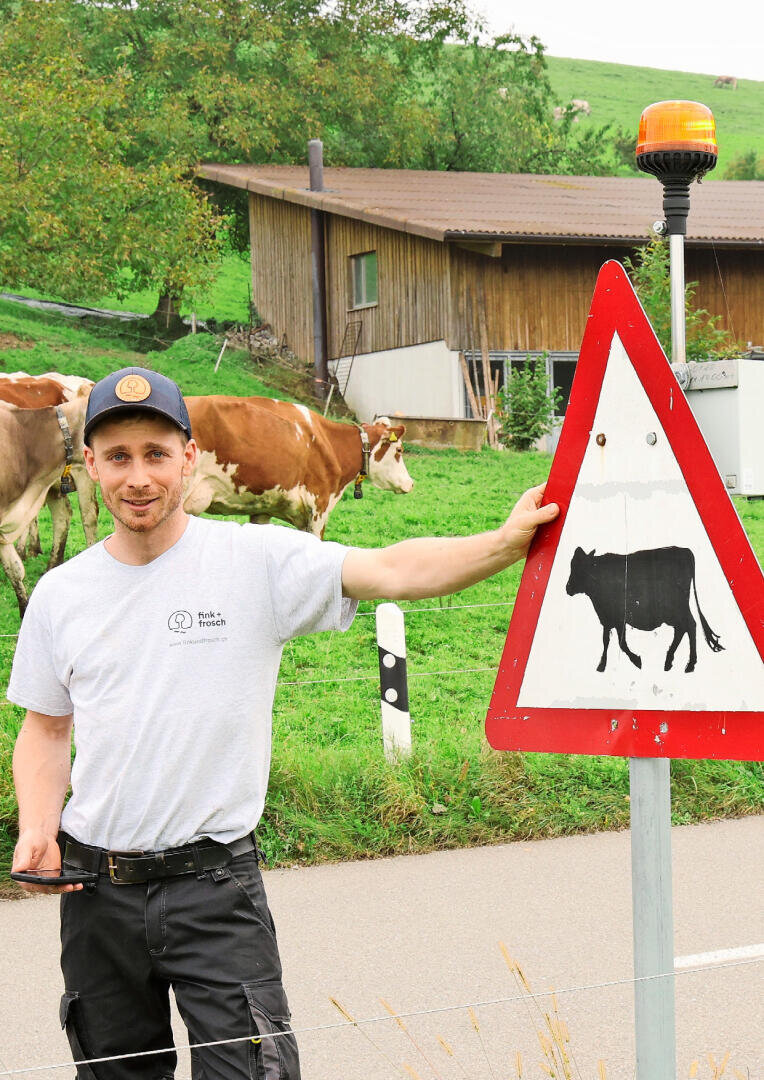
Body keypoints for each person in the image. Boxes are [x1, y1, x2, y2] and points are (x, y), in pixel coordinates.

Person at [8, 366, 559, 1080]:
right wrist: (37, 825)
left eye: (155, 454)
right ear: (91, 464)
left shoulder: (255, 562)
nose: (137, 477)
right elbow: (47, 729)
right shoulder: (61, 596)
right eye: (117, 457)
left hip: (215, 888)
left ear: (190, 456)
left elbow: (390, 569)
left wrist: (506, 542)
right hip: (97, 897)